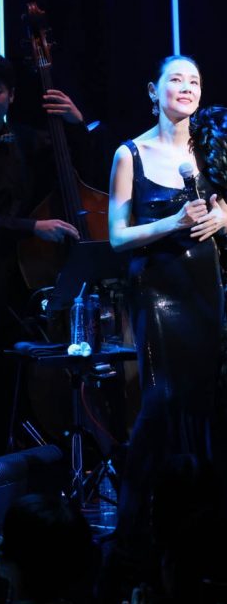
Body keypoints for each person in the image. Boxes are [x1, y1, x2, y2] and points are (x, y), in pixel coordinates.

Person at [0, 52, 100, 457]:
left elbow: (81, 167)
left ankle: (34, 445)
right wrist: (33, 227)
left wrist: (77, 123)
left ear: (11, 95)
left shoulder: (27, 139)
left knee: (20, 367)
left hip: (28, 273)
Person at [107, 55, 226, 552]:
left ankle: (201, 524)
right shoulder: (130, 154)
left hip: (206, 286)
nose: (187, 87)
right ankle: (137, 527)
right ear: (153, 91)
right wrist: (171, 224)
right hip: (157, 290)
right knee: (162, 401)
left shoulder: (213, 145)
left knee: (207, 401)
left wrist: (224, 217)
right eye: (176, 79)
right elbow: (117, 236)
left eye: (194, 80)